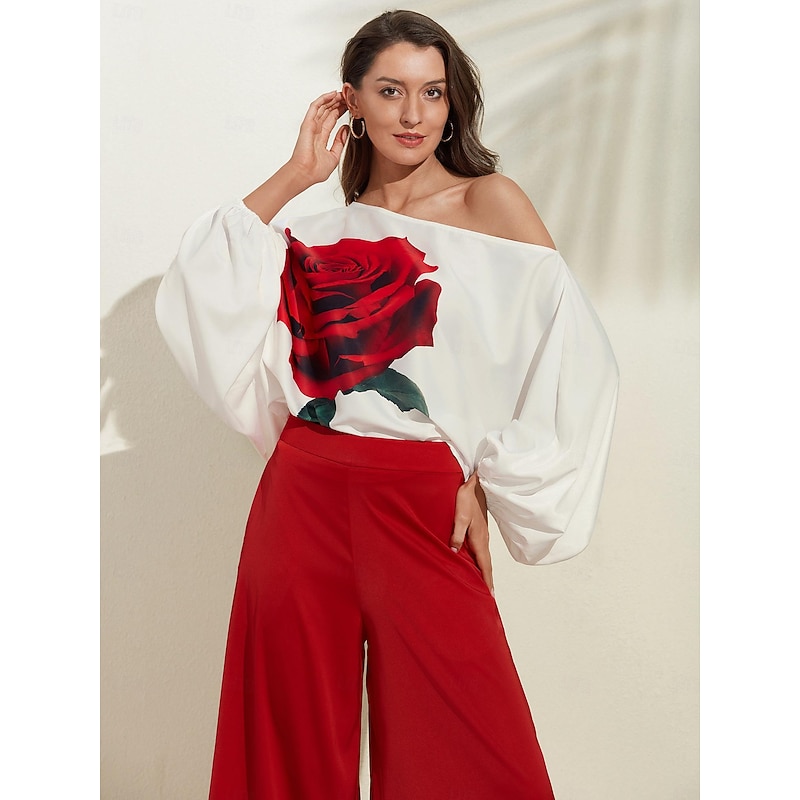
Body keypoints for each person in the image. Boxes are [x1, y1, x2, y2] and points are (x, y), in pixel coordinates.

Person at [156, 9, 618, 799]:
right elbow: (200, 284)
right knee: (287, 741)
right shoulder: (314, 232)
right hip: (302, 495)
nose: (413, 114)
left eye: (432, 92)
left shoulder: (492, 204)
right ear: (353, 102)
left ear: (453, 102)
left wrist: (490, 478)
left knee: (472, 750)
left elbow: (572, 355)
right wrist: (295, 175)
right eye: (391, 91)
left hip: (424, 504)